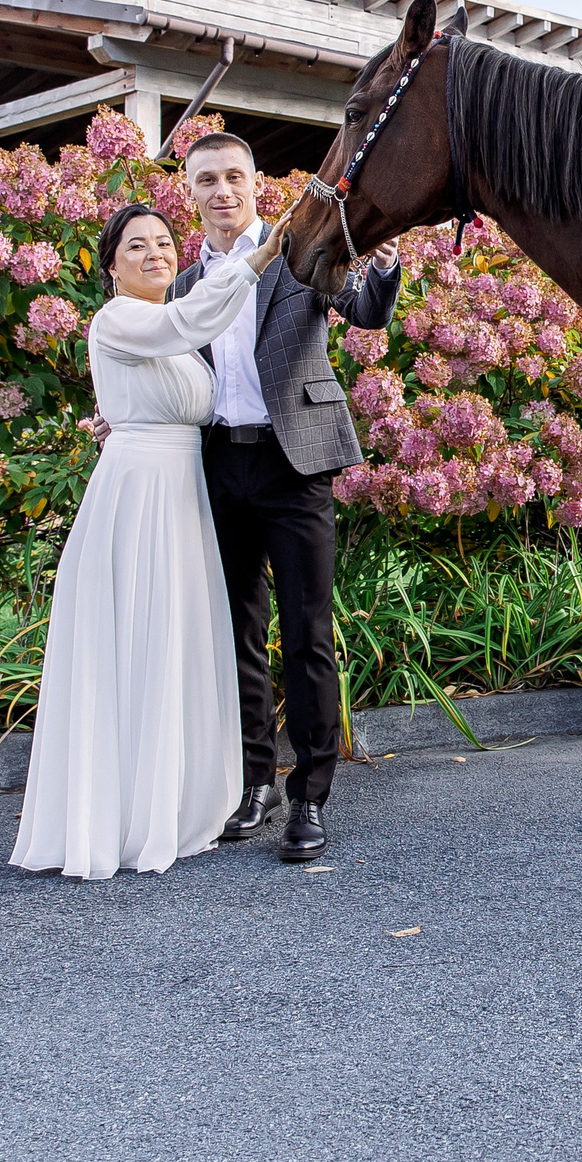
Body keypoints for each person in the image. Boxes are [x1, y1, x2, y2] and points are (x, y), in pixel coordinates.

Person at [8, 201, 291, 881]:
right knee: (136, 641)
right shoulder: (121, 318)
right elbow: (184, 321)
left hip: (182, 493)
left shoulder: (168, 331)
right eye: (136, 245)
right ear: (111, 265)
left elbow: (186, 368)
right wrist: (258, 258)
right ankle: (122, 817)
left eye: (164, 242)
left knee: (173, 643)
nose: (155, 253)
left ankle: (171, 802)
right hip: (138, 497)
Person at [175, 132, 400, 861]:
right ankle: (256, 782)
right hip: (216, 464)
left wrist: (383, 266)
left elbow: (365, 310)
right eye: (206, 179)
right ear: (190, 191)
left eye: (233, 176)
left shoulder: (298, 252)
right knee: (236, 632)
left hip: (294, 462)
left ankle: (309, 793)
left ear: (255, 182)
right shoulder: (183, 285)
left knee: (307, 634)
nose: (222, 191)